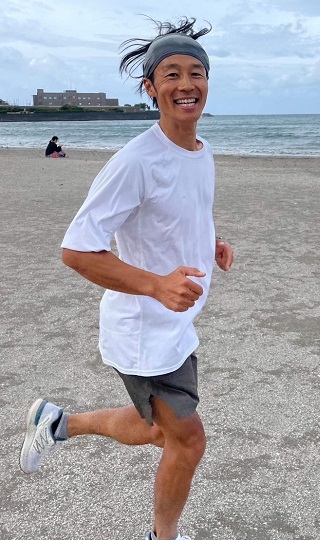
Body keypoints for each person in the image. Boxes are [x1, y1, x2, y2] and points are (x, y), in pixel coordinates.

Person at [20, 17, 234, 540]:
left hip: (177, 323)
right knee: (188, 441)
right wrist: (156, 285)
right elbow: (76, 250)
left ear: (208, 81)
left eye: (196, 73)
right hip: (143, 330)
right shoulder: (135, 161)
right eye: (171, 74)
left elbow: (185, 211)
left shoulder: (200, 151)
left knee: (158, 431)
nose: (186, 84)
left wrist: (210, 243)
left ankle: (58, 423)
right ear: (150, 88)